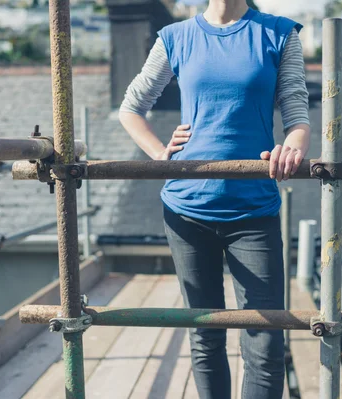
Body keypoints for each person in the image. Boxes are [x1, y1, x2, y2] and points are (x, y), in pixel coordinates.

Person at [118, 0, 310, 397]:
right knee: (205, 335)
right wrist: (159, 154)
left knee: (266, 341)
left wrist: (292, 146)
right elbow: (132, 107)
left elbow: (296, 110)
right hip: (186, 211)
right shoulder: (176, 37)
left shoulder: (278, 33)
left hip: (254, 208)